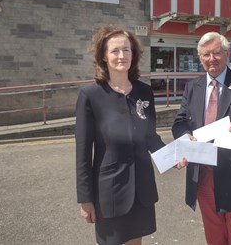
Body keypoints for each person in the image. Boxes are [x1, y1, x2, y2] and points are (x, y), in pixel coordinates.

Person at [75, 26, 185, 245]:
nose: (121, 55)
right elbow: (83, 153)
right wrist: (85, 198)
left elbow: (150, 137)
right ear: (104, 57)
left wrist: (173, 156)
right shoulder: (90, 95)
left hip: (141, 190)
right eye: (115, 50)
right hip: (110, 192)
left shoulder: (144, 92)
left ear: (133, 54)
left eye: (126, 50)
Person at [172, 32, 231, 244]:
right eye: (206, 54)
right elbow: (180, 121)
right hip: (203, 175)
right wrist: (184, 135)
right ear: (199, 58)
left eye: (217, 53)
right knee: (214, 238)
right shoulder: (193, 87)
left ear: (227, 54)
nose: (211, 59)